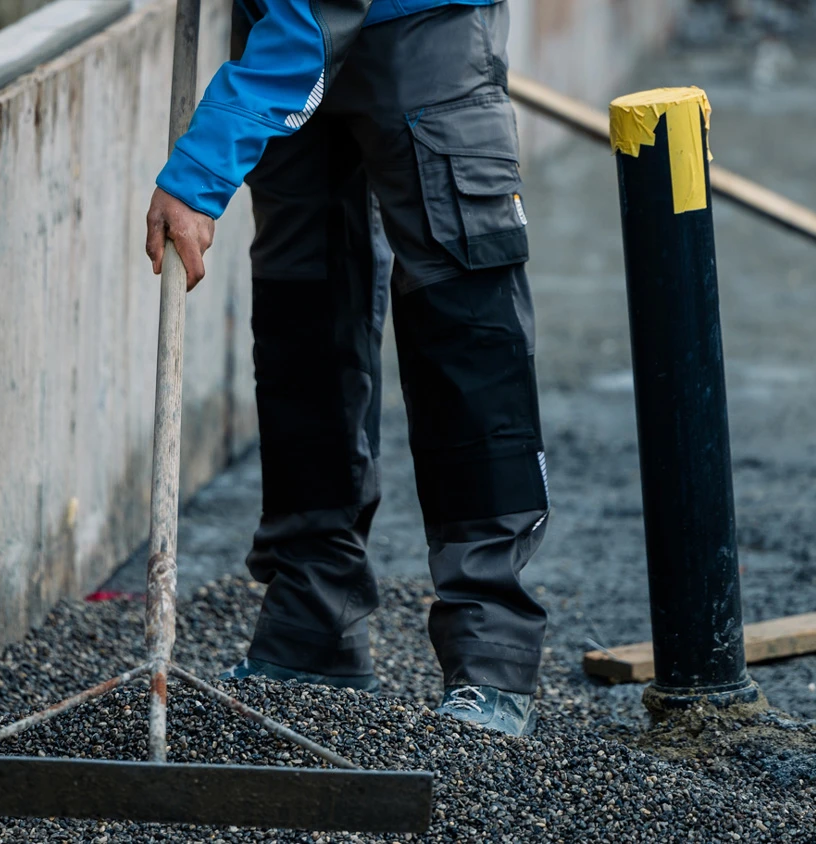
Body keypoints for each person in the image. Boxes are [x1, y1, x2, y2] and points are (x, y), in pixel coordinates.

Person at [143, 0, 548, 736]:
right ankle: (311, 623)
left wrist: (202, 167)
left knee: (463, 323)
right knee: (305, 308)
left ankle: (492, 657)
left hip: (426, 26)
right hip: (279, 19)